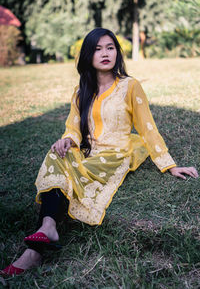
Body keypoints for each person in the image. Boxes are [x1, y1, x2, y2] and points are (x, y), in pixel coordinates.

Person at [1, 28, 198, 276]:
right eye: (97, 49)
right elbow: (72, 128)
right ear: (87, 56)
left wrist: (169, 164)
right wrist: (67, 141)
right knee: (55, 155)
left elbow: (147, 127)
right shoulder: (80, 91)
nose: (105, 53)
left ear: (117, 52)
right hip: (87, 152)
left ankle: (33, 253)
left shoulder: (129, 86)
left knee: (70, 176)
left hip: (115, 156)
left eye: (110, 47)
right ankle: (48, 226)